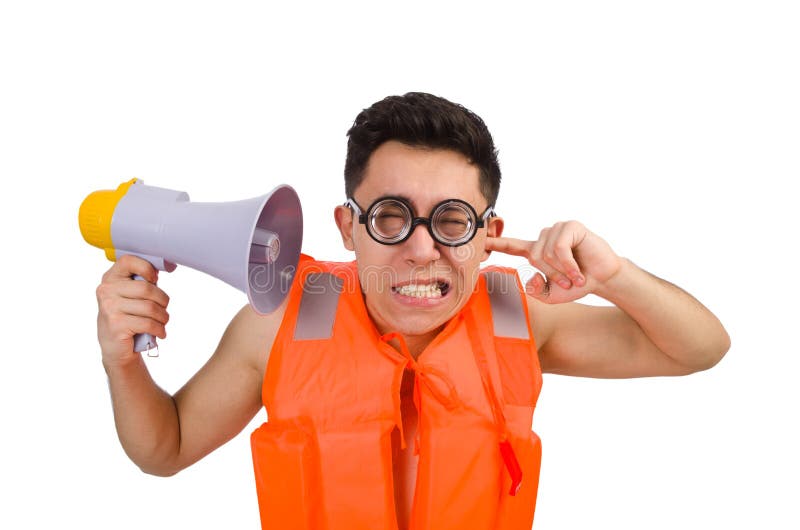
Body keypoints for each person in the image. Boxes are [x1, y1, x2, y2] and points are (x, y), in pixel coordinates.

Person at [94, 92, 730, 529]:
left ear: (488, 232)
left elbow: (701, 348)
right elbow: (165, 449)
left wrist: (614, 275)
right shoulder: (278, 322)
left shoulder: (521, 316)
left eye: (451, 221)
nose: (421, 250)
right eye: (389, 216)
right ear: (348, 227)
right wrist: (123, 361)